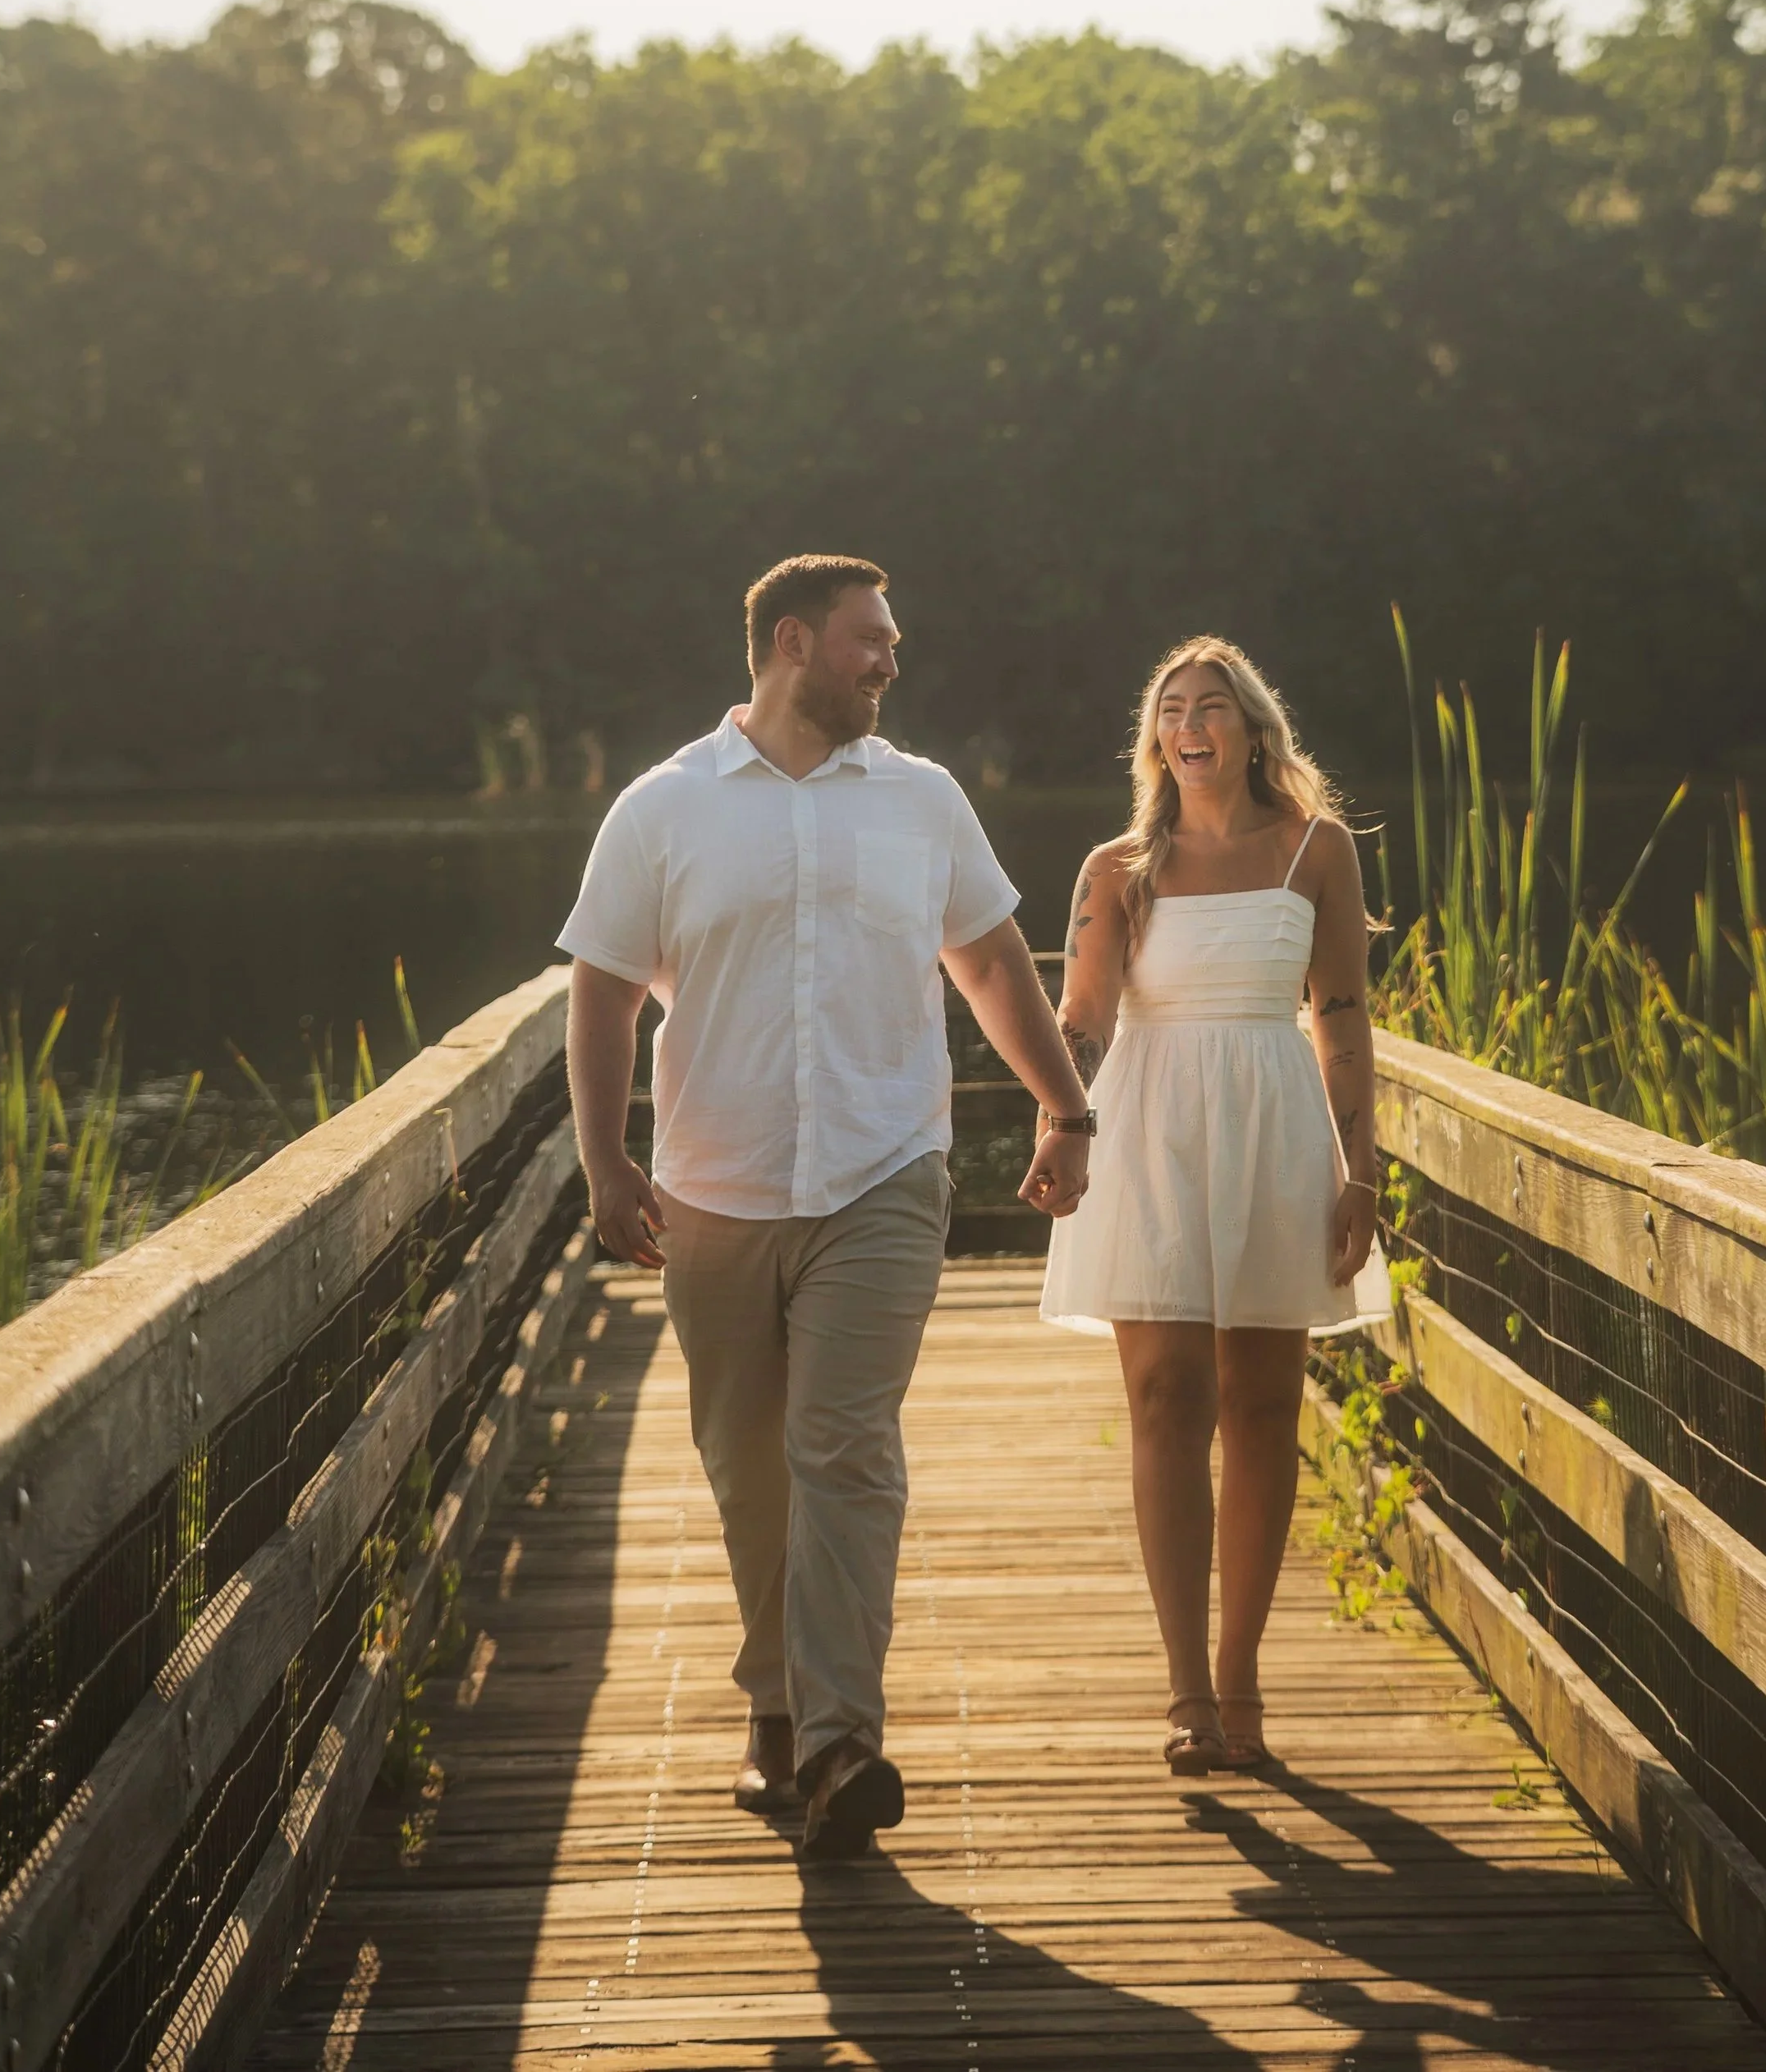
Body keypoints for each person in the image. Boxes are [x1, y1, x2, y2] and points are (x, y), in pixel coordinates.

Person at [558, 556, 1092, 1859]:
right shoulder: (663, 807)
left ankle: (844, 1736)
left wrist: (1067, 1108)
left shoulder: (923, 800)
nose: (890, 660)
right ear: (792, 644)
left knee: (843, 1451)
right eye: (870, 640)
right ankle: (777, 1711)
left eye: (895, 641)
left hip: (883, 1174)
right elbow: (605, 994)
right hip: (715, 1189)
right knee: (751, 1471)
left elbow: (990, 961)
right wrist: (605, 1162)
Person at [1039, 635, 1392, 1773]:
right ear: (1157, 740)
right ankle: (1186, 1690)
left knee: (1261, 1408)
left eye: (1210, 706)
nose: (1188, 724)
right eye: (1170, 709)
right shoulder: (1119, 867)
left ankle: (1243, 1682)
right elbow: (1085, 1017)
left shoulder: (1316, 849)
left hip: (1273, 1122)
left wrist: (1362, 1169)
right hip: (1150, 1123)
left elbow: (1339, 1010)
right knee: (1163, 1395)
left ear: (1251, 730)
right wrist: (1059, 1118)